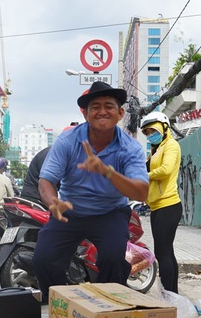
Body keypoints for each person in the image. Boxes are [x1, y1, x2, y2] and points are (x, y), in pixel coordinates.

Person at [33, 81, 149, 299]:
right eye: (95, 107)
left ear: (120, 113)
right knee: (43, 258)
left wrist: (107, 172)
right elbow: (46, 180)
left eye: (109, 106)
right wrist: (53, 202)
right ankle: (59, 306)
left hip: (110, 213)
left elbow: (141, 193)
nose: (102, 111)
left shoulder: (130, 147)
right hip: (69, 212)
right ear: (86, 114)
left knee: (116, 259)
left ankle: (108, 309)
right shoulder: (67, 140)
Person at [140, 111, 182, 294]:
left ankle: (169, 295)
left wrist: (144, 175)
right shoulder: (155, 151)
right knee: (166, 252)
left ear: (164, 128)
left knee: (163, 252)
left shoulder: (171, 146)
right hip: (157, 206)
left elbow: (166, 170)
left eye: (152, 130)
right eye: (147, 132)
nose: (150, 135)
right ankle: (172, 295)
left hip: (168, 204)